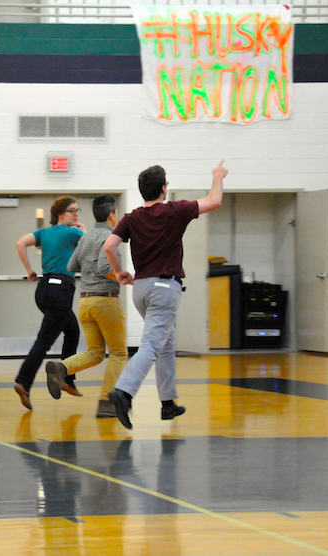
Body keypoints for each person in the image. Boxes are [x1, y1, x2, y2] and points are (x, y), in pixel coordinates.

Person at [104, 160, 228, 429]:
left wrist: (119, 272)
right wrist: (218, 176)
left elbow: (109, 245)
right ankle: (124, 392)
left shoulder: (131, 217)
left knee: (166, 342)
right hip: (164, 289)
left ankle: (168, 403)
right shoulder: (174, 210)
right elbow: (214, 200)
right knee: (151, 345)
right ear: (163, 188)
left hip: (141, 289)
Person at [45, 195, 127, 418]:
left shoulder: (87, 236)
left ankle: (63, 368)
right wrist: (120, 275)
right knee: (119, 353)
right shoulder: (110, 237)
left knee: (95, 353)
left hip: (85, 301)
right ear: (112, 215)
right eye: (117, 213)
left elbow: (72, 265)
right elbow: (103, 267)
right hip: (105, 300)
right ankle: (107, 403)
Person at [13, 197, 86, 410]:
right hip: (60, 291)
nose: (76, 214)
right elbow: (93, 244)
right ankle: (23, 382)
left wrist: (29, 270)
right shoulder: (72, 232)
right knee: (44, 341)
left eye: (77, 210)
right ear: (61, 214)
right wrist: (83, 229)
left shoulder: (43, 233)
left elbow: (20, 243)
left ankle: (67, 379)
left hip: (44, 289)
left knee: (72, 331)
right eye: (72, 211)